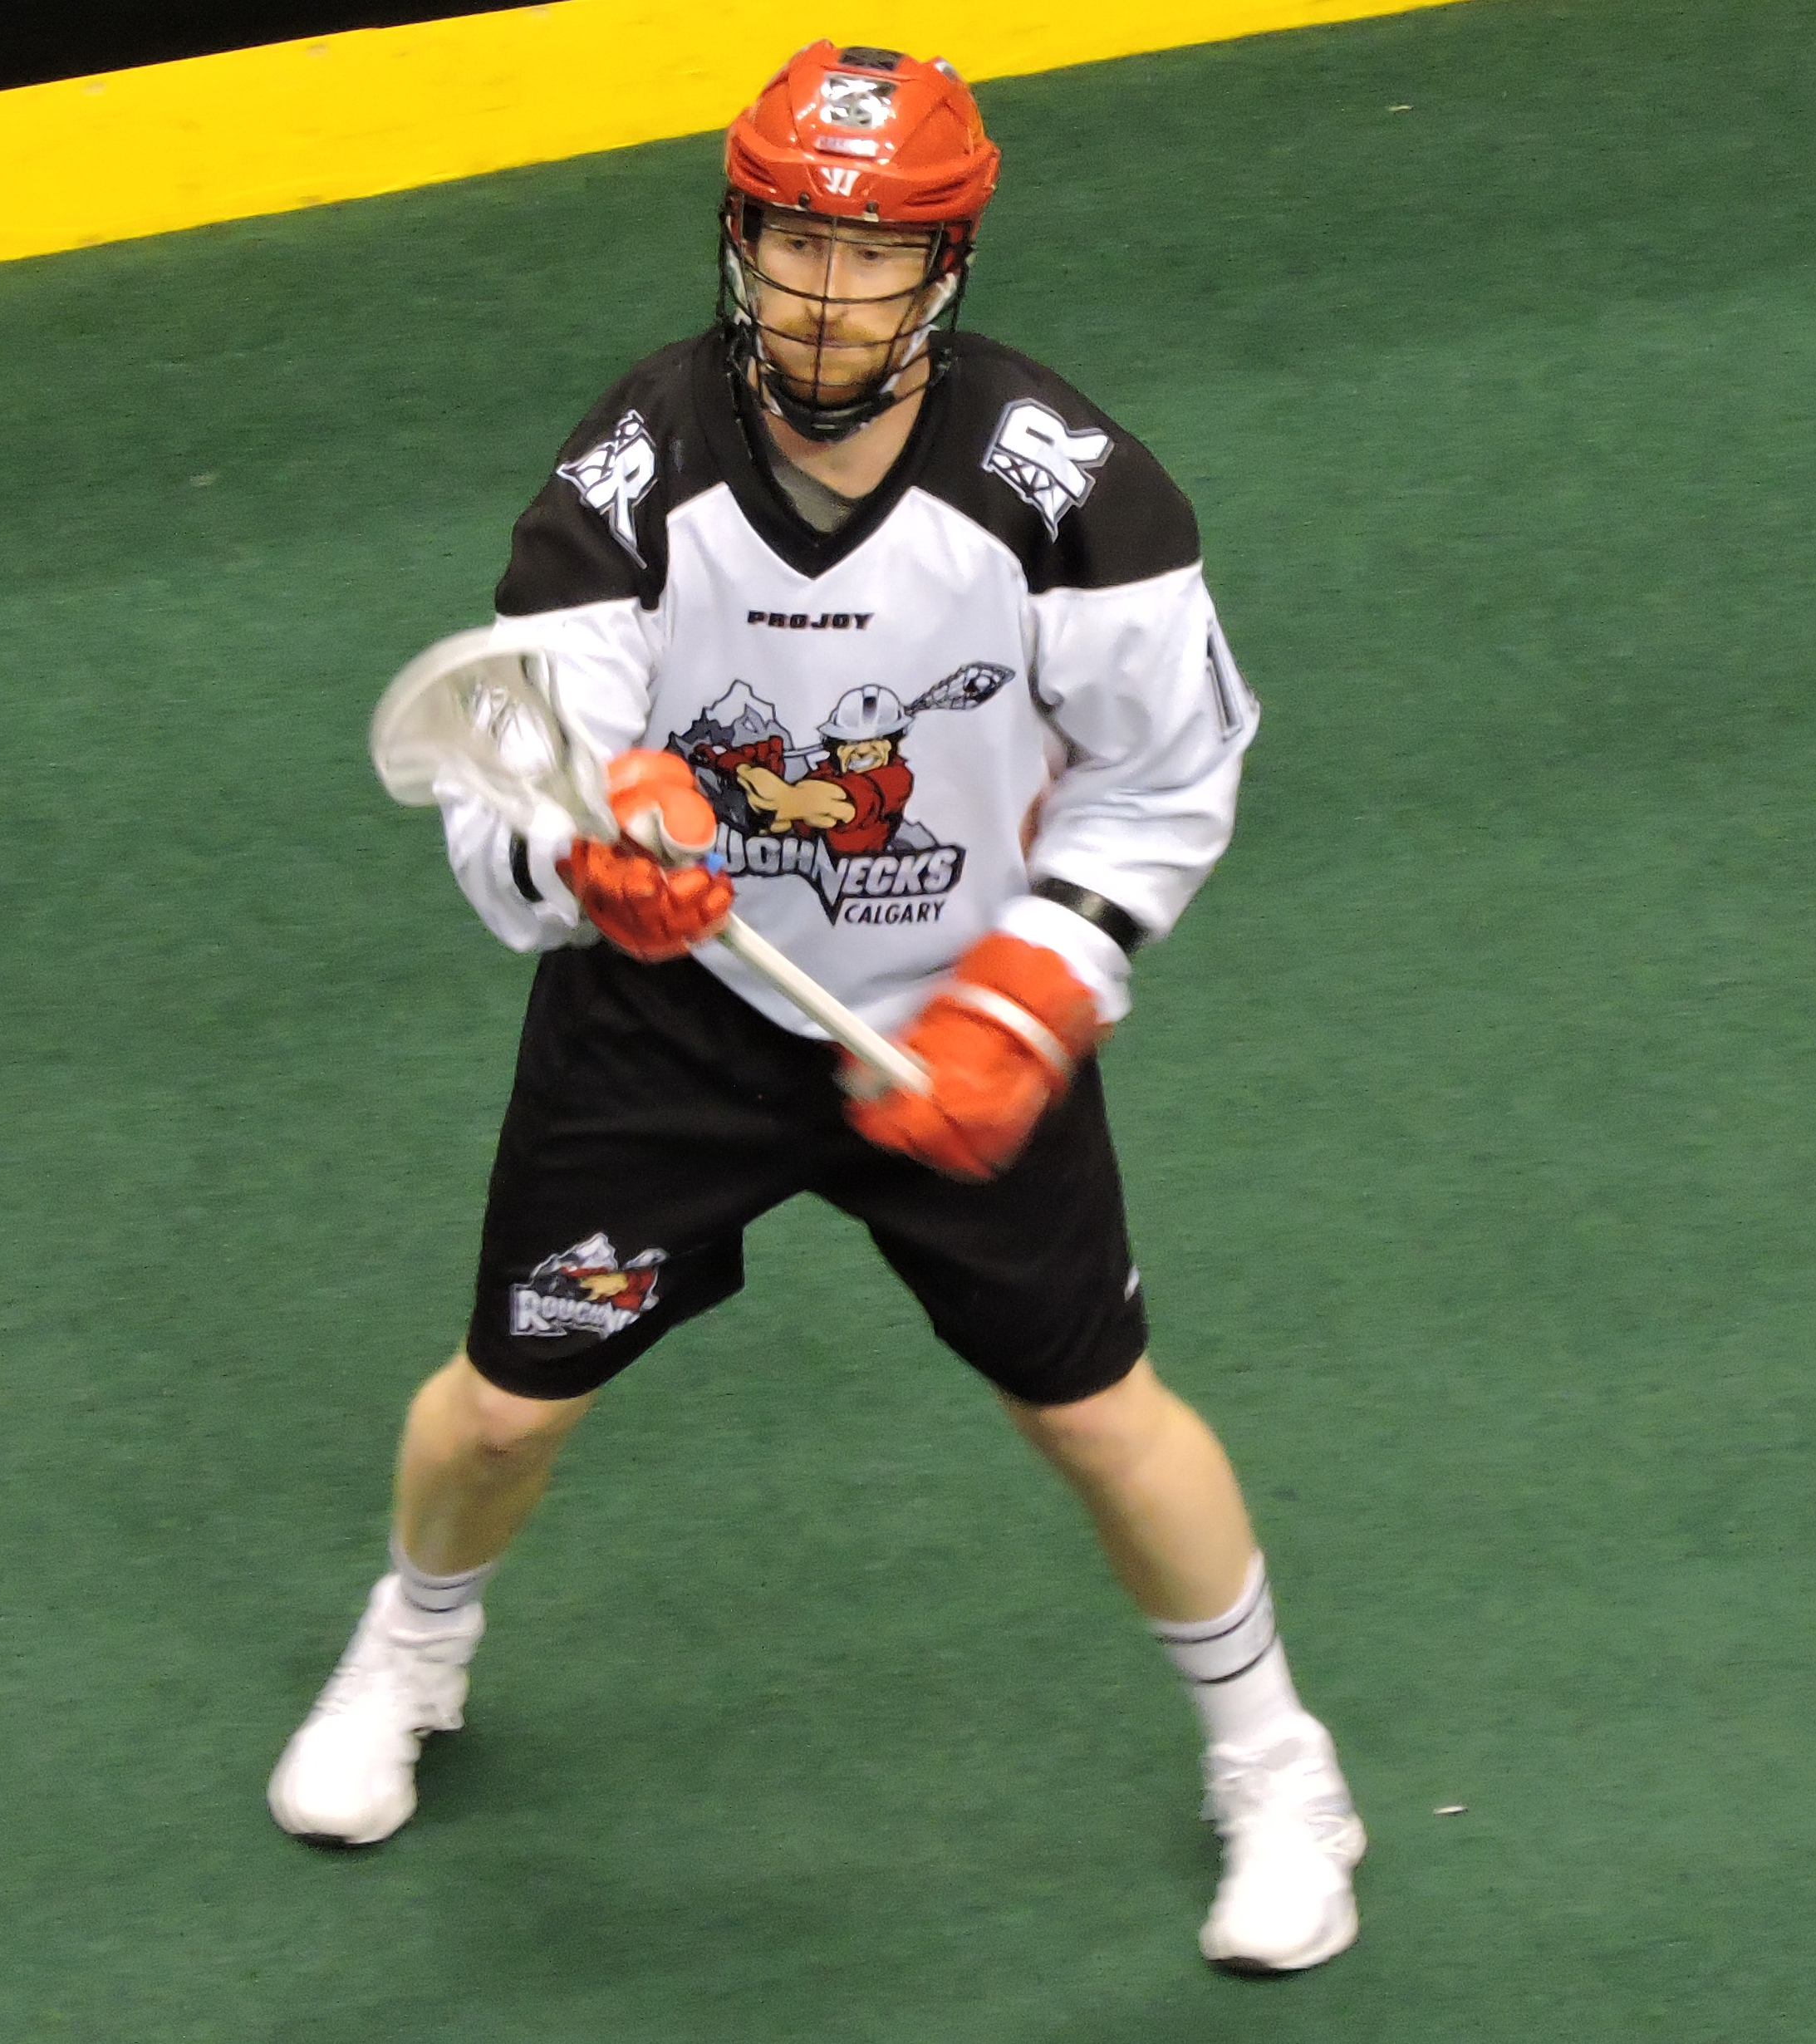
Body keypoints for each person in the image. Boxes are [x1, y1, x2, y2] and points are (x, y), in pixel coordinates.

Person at [269, 40, 1362, 1972]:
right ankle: (416, 1644)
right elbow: (505, 779)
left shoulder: (1072, 496)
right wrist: (591, 856)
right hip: (669, 1027)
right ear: (735, 242)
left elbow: (1173, 770)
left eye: (874, 255)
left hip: (949, 1011)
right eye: (792, 243)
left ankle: (1280, 1770)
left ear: (947, 267)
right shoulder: (631, 474)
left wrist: (1030, 999)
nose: (824, 293)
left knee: (1101, 1420)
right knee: (509, 1410)